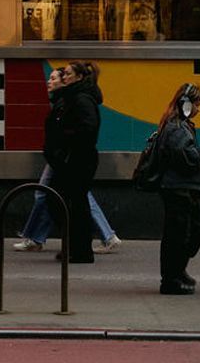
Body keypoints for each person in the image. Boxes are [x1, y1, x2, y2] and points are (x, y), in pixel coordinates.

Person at [15, 66, 121, 254]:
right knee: (68, 197)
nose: (52, 81)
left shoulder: (76, 99)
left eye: (58, 77)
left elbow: (84, 129)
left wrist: (62, 144)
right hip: (64, 155)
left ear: (77, 78)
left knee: (56, 196)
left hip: (68, 156)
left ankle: (44, 239)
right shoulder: (67, 98)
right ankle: (43, 238)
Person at [155, 83, 200, 295]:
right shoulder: (176, 128)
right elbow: (185, 158)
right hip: (179, 187)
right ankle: (172, 278)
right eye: (196, 104)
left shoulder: (178, 125)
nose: (198, 109)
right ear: (185, 104)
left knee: (187, 230)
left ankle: (177, 272)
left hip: (182, 187)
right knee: (181, 233)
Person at [41, 60, 103, 263]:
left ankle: (80, 249)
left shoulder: (81, 99)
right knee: (70, 203)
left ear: (79, 77)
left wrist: (65, 141)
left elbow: (88, 128)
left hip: (77, 160)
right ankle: (76, 247)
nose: (64, 77)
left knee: (70, 204)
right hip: (71, 159)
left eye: (68, 74)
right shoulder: (72, 97)